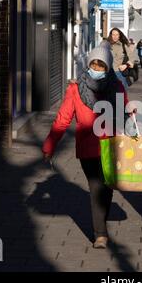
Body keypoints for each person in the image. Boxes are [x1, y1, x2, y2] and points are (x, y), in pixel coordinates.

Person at [42, 46, 129, 249]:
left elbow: (125, 114)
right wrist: (50, 144)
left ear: (107, 67)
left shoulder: (116, 87)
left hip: (110, 145)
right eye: (94, 65)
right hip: (92, 147)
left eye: (101, 65)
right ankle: (100, 233)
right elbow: (63, 118)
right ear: (88, 64)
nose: (96, 68)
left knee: (105, 188)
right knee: (98, 187)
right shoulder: (76, 89)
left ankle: (100, 227)